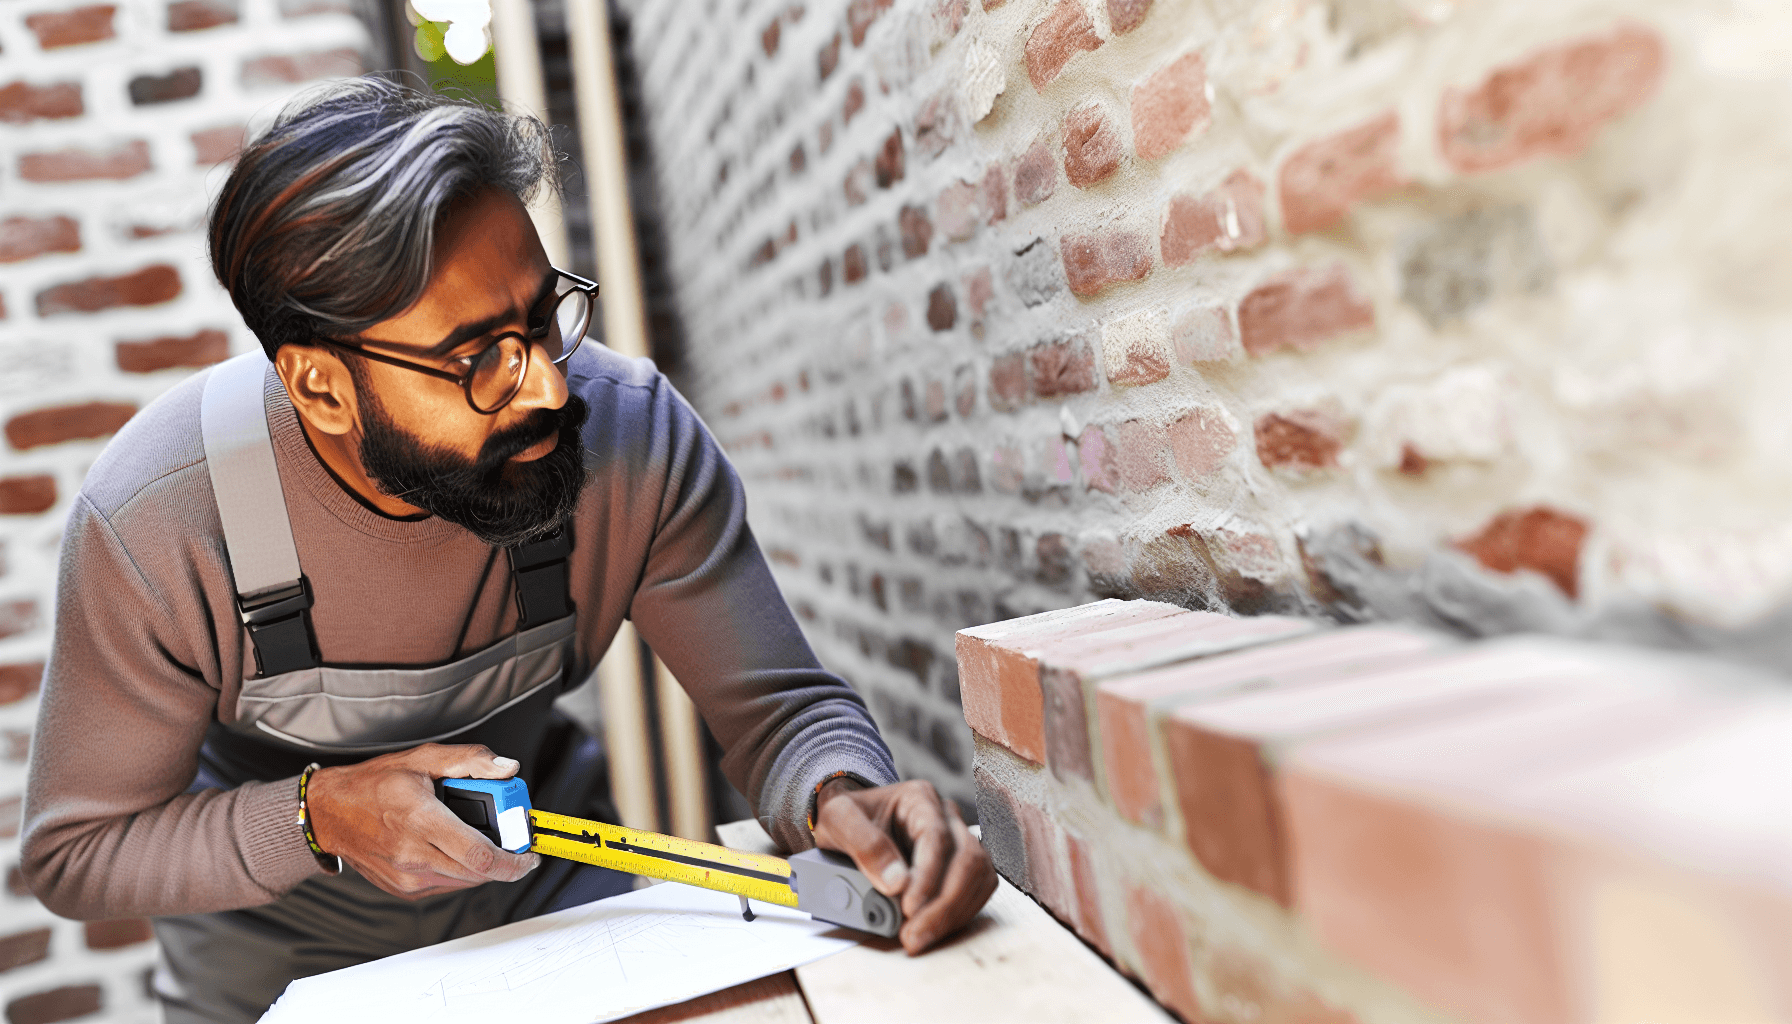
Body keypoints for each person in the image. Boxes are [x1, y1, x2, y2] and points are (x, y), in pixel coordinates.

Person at [19, 77, 995, 1023]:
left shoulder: (632, 434)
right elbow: (78, 852)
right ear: (319, 388)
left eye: (542, 317)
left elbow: (781, 714)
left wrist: (844, 795)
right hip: (279, 970)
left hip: (555, 901)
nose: (549, 390)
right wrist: (318, 813)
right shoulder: (157, 520)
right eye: (478, 357)